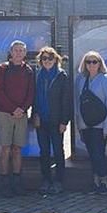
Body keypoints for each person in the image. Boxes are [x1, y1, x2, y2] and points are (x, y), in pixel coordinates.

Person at [0, 40, 35, 196]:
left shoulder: (29, 71)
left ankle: (17, 181)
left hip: (21, 115)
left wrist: (22, 109)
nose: (18, 53)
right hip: (5, 114)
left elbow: (31, 93)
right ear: (11, 52)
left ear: (25, 53)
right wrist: (13, 108)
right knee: (5, 148)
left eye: (21, 50)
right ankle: (4, 182)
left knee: (17, 149)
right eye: (16, 50)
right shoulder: (2, 69)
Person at [31, 46, 73, 196]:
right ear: (41, 61)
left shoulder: (61, 75)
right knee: (44, 151)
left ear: (56, 60)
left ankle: (59, 181)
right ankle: (46, 179)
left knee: (58, 150)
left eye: (50, 58)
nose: (47, 61)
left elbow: (66, 100)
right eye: (45, 59)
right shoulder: (37, 75)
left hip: (56, 120)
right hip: (41, 119)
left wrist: (64, 121)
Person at [75, 50, 107, 195]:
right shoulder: (80, 80)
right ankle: (95, 181)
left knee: (99, 153)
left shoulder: (106, 79)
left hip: (101, 125)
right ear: (84, 64)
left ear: (100, 63)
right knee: (92, 153)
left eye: (94, 61)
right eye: (88, 62)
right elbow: (77, 104)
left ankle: (104, 182)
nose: (91, 64)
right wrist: (80, 126)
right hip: (86, 124)